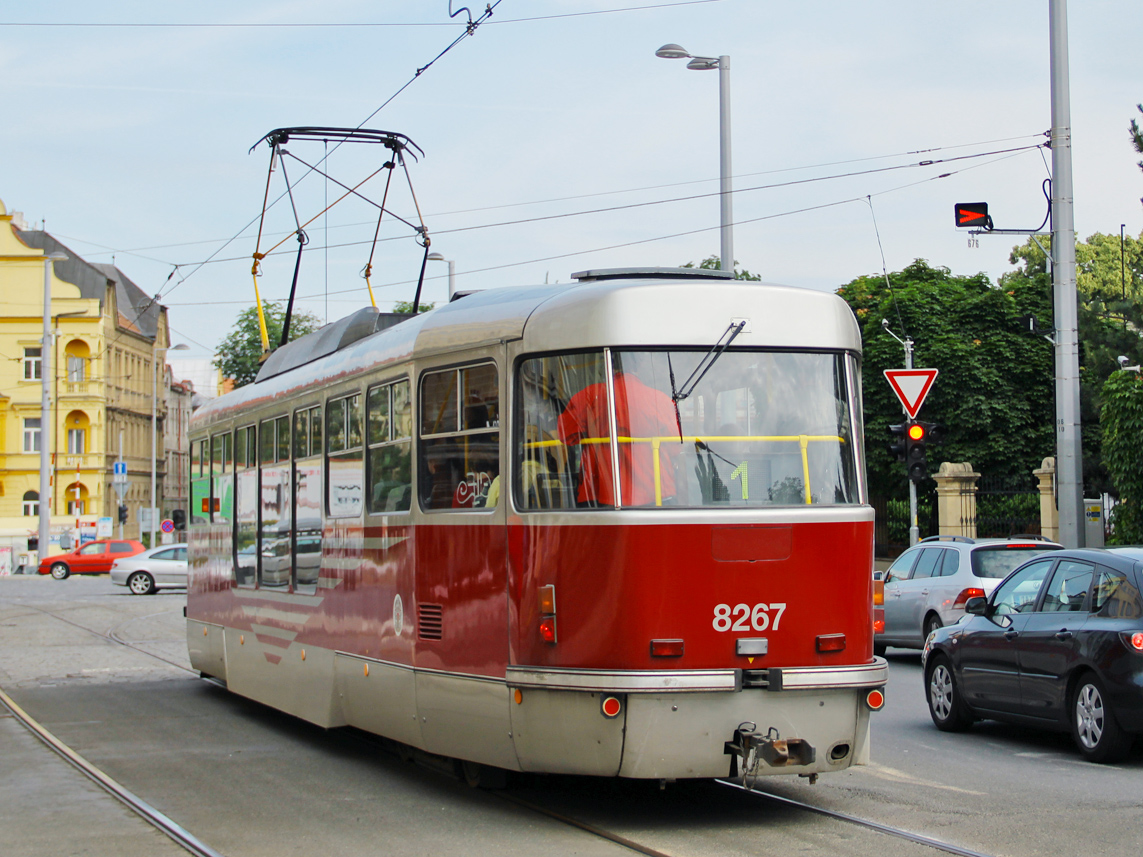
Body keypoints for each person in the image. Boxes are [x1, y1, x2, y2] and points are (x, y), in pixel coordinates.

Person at [557, 353, 682, 506]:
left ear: (609, 366)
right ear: (639, 367)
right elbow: (675, 448)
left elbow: (565, 435)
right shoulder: (661, 400)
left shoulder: (589, 396)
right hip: (657, 494)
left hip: (600, 495)